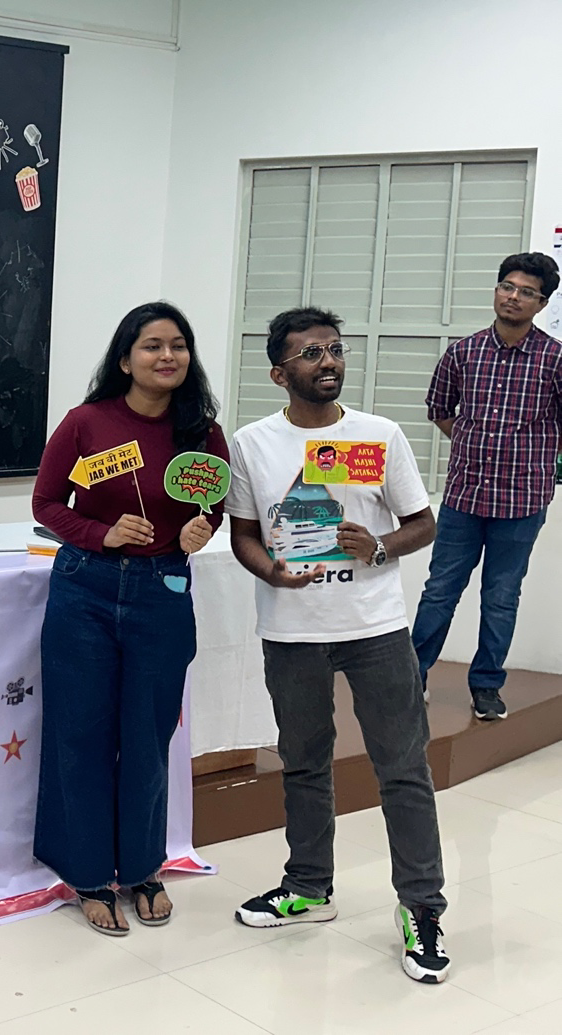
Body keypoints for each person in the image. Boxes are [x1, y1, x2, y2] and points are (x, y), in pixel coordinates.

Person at [227, 306, 449, 984]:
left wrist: (378, 544)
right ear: (278, 372)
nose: (327, 361)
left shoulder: (378, 435)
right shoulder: (252, 442)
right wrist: (272, 570)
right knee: (303, 761)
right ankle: (309, 888)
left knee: (403, 768)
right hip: (292, 629)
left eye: (334, 350)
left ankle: (421, 908)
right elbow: (243, 533)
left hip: (376, 627)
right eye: (309, 353)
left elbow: (423, 523)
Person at [32, 301, 227, 936]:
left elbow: (213, 502)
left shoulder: (202, 430)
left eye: (178, 344)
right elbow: (46, 503)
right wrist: (101, 531)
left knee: (148, 733)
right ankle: (87, 876)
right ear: (125, 359)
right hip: (84, 587)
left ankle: (143, 867)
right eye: (151, 346)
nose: (167, 356)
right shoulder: (87, 423)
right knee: (80, 731)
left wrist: (204, 527)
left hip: (161, 589)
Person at [413, 252, 562, 721]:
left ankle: (486, 686)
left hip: (522, 501)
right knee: (440, 589)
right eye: (507, 287)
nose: (514, 297)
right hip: (464, 496)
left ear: (542, 304)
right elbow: (439, 407)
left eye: (527, 292)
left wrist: (532, 457)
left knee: (501, 595)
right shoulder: (463, 352)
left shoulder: (556, 359)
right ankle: (411, 676)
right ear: (496, 290)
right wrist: (475, 443)